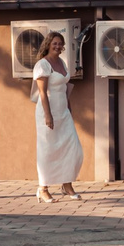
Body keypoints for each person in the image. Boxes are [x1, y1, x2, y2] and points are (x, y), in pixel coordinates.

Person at [33, 35, 82, 202]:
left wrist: (69, 108)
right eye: (54, 43)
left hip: (63, 111)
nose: (58, 46)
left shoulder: (62, 62)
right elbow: (42, 92)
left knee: (73, 148)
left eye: (60, 44)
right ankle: (43, 188)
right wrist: (48, 115)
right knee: (47, 150)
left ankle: (66, 185)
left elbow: (64, 88)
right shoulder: (42, 65)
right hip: (48, 112)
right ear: (48, 45)